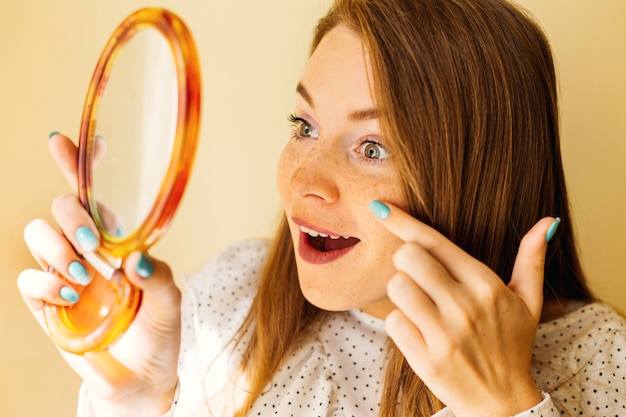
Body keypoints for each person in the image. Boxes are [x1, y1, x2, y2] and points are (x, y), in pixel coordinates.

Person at [18, 0, 626, 416]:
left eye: (372, 147)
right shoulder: (229, 296)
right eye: (303, 125)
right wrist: (141, 399)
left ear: (480, 172)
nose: (304, 181)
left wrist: (504, 406)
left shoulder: (600, 360)